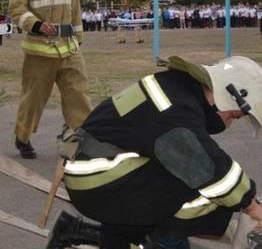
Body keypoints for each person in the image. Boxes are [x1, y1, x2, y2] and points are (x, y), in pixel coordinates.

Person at [47, 55, 262, 248]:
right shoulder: (175, 108)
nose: (230, 124)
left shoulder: (175, 86)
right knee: (204, 192)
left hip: (95, 170)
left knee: (182, 178)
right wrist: (252, 206)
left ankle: (88, 235)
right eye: (234, 116)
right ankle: (163, 243)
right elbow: (210, 169)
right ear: (230, 94)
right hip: (97, 181)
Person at [8, 0, 92, 159]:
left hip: (69, 49)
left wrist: (79, 37)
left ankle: (81, 138)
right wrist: (34, 23)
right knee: (33, 99)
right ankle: (22, 137)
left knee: (79, 95)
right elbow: (16, 8)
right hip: (39, 51)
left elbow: (75, 6)